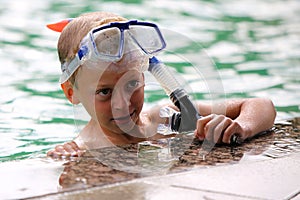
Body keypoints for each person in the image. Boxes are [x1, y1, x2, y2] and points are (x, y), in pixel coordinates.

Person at [46, 11, 276, 158]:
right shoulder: (82, 149)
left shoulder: (166, 118)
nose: (122, 103)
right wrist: (62, 157)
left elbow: (262, 105)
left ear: (145, 77)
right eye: (104, 92)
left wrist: (242, 127)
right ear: (71, 93)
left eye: (131, 84)